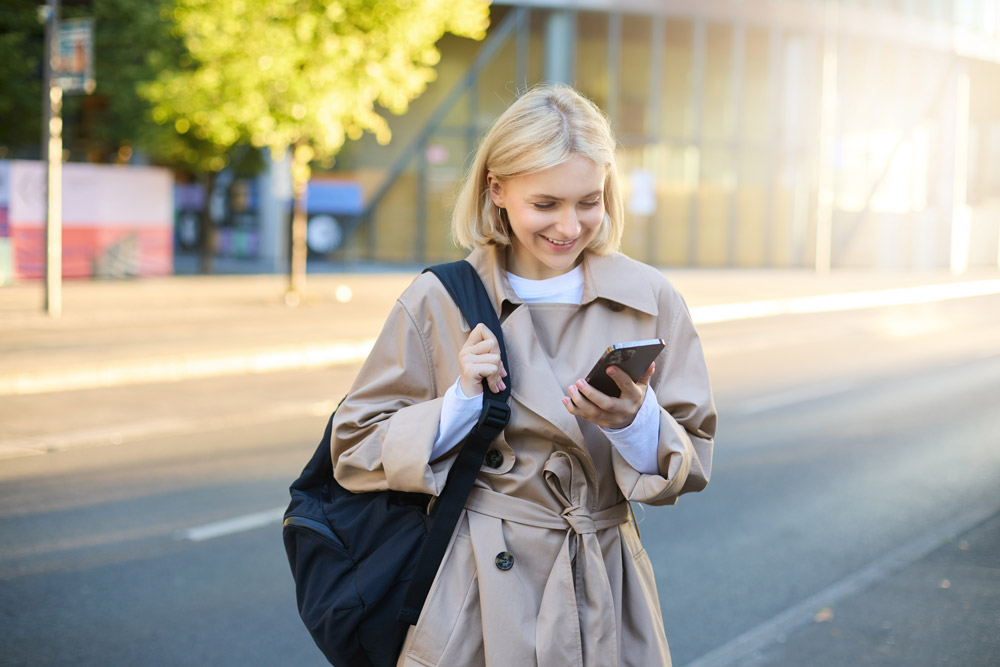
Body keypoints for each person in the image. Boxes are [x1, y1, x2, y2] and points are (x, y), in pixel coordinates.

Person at [332, 83, 716, 667]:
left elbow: (694, 454)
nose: (570, 226)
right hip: (476, 595)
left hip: (604, 583)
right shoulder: (439, 298)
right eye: (546, 204)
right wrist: (462, 403)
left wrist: (634, 424)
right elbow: (355, 448)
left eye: (589, 201)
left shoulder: (649, 298)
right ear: (497, 190)